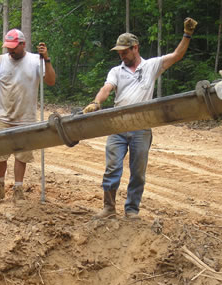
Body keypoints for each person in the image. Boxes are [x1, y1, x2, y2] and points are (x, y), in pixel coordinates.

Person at [83, 18, 197, 220]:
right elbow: (106, 89)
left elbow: (177, 55)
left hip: (141, 127)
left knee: (138, 172)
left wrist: (187, 35)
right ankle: (109, 207)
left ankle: (132, 210)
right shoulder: (116, 71)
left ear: (135, 48)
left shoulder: (152, 66)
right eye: (119, 52)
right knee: (112, 167)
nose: (121, 55)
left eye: (124, 52)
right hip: (117, 124)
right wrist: (96, 102)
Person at [0, 29, 56, 206]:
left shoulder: (35, 60)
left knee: (21, 156)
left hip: (26, 118)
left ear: (23, 44)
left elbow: (51, 81)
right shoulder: (0, 61)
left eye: (13, 48)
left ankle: (18, 190)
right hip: (4, 116)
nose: (10, 51)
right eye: (8, 47)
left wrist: (46, 59)